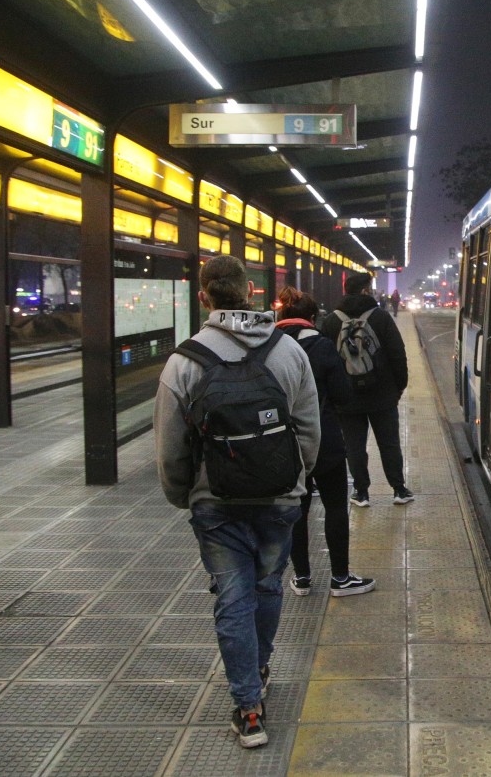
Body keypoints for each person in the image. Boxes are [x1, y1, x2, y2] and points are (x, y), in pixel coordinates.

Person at [154, 256, 320, 750]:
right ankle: (260, 666)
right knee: (268, 587)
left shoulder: (184, 360)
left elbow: (169, 448)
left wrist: (184, 493)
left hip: (216, 505)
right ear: (250, 292)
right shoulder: (289, 351)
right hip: (280, 499)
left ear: (203, 296)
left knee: (232, 598)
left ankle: (248, 707)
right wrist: (298, 478)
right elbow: (309, 428)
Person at [275, 286, 376, 598]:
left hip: (284, 444)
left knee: (297, 511)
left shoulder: (268, 347)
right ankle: (341, 578)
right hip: (325, 442)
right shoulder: (321, 347)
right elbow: (344, 395)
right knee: (335, 508)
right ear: (312, 317)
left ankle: (302, 578)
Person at [323, 271, 413, 507]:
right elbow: (398, 354)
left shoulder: (332, 320)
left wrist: (333, 394)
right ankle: (399, 490)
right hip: (382, 395)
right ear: (365, 290)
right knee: (389, 443)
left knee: (354, 446)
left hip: (346, 397)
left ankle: (361, 493)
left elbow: (327, 360)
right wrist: (399, 387)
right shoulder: (381, 317)